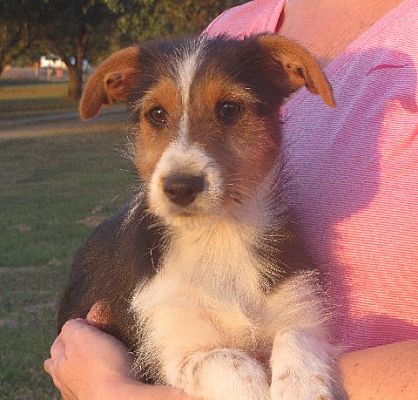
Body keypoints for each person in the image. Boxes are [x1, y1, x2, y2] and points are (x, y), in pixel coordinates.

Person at [44, 0, 418, 398]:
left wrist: (118, 392)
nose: (184, 159)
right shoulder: (235, 23)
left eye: (228, 110)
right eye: (156, 115)